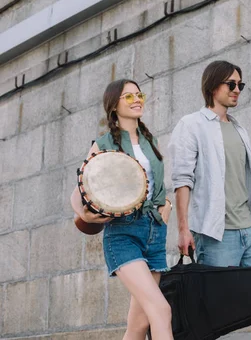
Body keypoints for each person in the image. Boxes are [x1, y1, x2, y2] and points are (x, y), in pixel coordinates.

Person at [168, 60, 251, 340]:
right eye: (231, 84)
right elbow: (182, 179)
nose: (237, 89)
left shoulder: (239, 129)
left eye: (240, 85)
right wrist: (183, 228)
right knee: (212, 311)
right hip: (218, 234)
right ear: (212, 85)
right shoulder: (191, 124)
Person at [70, 79, 173, 340]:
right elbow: (77, 191)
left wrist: (167, 205)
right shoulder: (104, 144)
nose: (137, 99)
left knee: (138, 325)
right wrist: (84, 214)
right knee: (161, 310)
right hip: (123, 233)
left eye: (139, 95)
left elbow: (158, 186)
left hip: (155, 233)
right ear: (114, 105)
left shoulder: (151, 141)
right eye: (128, 97)